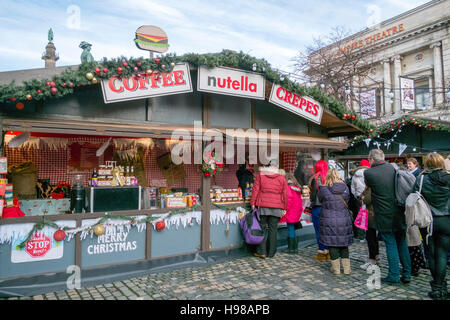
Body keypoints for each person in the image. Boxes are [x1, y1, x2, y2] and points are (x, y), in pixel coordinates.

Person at [364, 149, 412, 285]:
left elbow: (369, 190)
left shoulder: (369, 173)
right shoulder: (394, 169)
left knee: (390, 244)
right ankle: (407, 272)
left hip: (384, 214)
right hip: (399, 211)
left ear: (371, 159)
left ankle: (394, 275)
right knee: (402, 242)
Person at [414, 153, 450, 300]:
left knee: (432, 254)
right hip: (446, 220)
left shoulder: (421, 179)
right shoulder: (449, 178)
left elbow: (413, 196)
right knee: (442, 254)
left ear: (427, 164)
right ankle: (441, 287)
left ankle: (437, 288)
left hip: (427, 220)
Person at [250, 158, 289, 259]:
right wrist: (284, 207)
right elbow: (285, 194)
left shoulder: (261, 175)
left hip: (263, 205)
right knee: (273, 229)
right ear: (277, 167)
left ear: (268, 166)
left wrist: (252, 203)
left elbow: (255, 190)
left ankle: (261, 252)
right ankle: (271, 253)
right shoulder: (281, 177)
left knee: (262, 228)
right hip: (277, 206)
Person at [318, 169, 353, 275]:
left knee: (332, 244)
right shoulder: (345, 188)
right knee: (344, 244)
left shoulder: (323, 190)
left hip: (329, 220)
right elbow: (348, 201)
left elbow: (320, 200)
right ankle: (347, 269)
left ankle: (336, 269)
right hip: (344, 219)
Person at [308, 160, 330, 262]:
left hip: (317, 207)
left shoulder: (315, 178)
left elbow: (313, 196)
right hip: (329, 208)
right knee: (328, 230)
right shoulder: (330, 178)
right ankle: (329, 252)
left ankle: (322, 252)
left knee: (318, 230)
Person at [279, 172, 303, 254]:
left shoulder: (288, 188)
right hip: (296, 211)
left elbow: (288, 201)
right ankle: (294, 248)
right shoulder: (297, 188)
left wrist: (284, 209)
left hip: (290, 211)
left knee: (290, 228)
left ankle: (291, 249)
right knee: (292, 228)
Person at [350, 159, 371, 242]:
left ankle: (361, 235)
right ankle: (369, 235)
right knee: (370, 216)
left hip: (359, 198)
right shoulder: (370, 173)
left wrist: (357, 195)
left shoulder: (355, 174)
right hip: (369, 197)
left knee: (361, 216)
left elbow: (352, 188)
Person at [360, 186, 380, 270]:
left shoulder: (370, 187)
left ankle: (372, 261)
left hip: (370, 215)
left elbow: (366, 199)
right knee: (374, 238)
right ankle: (376, 257)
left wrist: (363, 197)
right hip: (373, 213)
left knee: (370, 238)